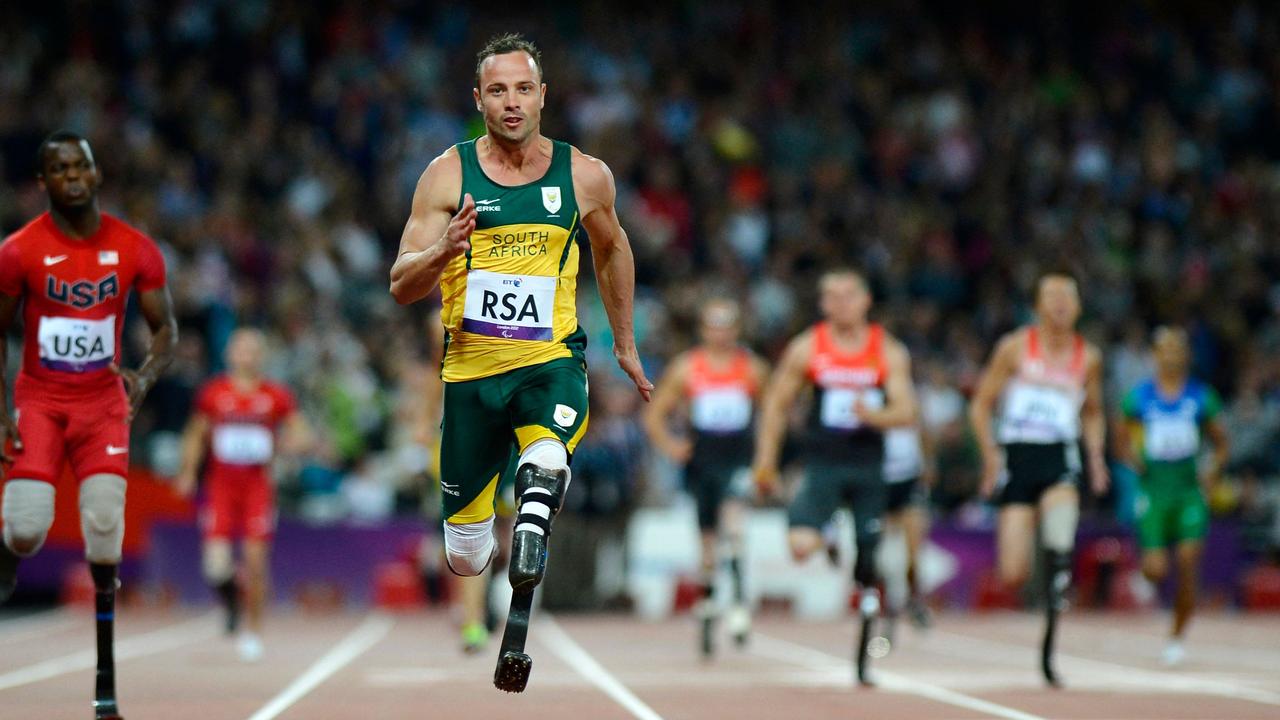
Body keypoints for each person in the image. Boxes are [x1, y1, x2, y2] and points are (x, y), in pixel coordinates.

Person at [388, 32, 651, 693]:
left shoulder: (585, 174)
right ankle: (518, 527)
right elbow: (400, 283)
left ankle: (533, 517)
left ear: (543, 96)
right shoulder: (447, 174)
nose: (511, 102)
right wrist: (442, 252)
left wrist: (623, 341)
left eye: (523, 89)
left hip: (551, 361)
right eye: (498, 91)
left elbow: (613, 250)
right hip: (471, 378)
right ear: (478, 99)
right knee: (467, 556)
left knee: (549, 454)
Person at [0, 131, 178, 720]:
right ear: (43, 182)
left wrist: (143, 378)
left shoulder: (134, 248)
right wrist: (2, 408)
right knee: (26, 529)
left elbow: (165, 332)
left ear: (97, 174)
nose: (72, 176)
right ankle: (9, 552)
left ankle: (105, 687)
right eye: (59, 168)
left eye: (82, 166)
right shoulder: (19, 251)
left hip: (102, 403)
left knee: (104, 529)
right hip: (40, 400)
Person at [753, 270, 916, 686]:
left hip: (868, 469)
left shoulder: (888, 351)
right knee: (800, 546)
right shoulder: (808, 348)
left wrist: (872, 415)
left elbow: (906, 411)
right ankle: (824, 535)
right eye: (831, 297)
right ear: (823, 304)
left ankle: (871, 613)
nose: (840, 303)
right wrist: (766, 462)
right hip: (822, 465)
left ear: (865, 301)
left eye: (849, 295)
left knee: (867, 561)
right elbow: (775, 404)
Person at [968, 271, 1108, 687]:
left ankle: (1055, 595)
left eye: (1069, 295)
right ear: (1037, 306)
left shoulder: (1090, 357)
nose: (1061, 302)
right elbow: (979, 405)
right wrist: (991, 456)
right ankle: (1045, 580)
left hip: (1059, 456)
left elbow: (1094, 411)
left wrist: (1096, 458)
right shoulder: (1014, 348)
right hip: (1017, 456)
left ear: (1080, 307)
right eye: (1052, 295)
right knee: (1012, 572)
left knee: (1060, 533)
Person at [173, 328, 310, 662]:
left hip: (257, 487)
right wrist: (188, 472)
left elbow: (300, 431)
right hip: (221, 486)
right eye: (240, 349)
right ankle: (232, 603)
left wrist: (295, 444)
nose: (245, 356)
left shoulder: (275, 394)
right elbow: (195, 433)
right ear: (229, 354)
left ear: (260, 356)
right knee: (216, 566)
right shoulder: (213, 392)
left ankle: (254, 630)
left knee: (255, 562)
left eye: (252, 350)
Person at [643, 299, 768, 658]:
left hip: (737, 460)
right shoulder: (688, 367)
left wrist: (764, 458)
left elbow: (772, 412)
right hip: (702, 462)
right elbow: (654, 413)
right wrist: (670, 445)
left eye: (727, 325)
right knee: (708, 544)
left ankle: (740, 604)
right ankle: (709, 601)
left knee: (734, 526)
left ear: (736, 330)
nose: (720, 333)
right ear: (703, 330)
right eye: (714, 326)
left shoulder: (751, 369)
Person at [1118, 326, 1228, 667]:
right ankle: (1145, 574)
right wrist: (1135, 462)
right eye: (1164, 350)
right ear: (1154, 356)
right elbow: (1120, 439)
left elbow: (1221, 443)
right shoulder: (1138, 397)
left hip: (1187, 491)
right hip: (1154, 490)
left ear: (1186, 356)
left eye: (1177, 350)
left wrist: (1211, 471)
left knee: (1187, 561)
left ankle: (1176, 638)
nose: (1171, 356)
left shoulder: (1201, 396)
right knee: (1156, 569)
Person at [879, 419, 933, 635]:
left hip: (909, 480)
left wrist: (928, 463)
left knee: (914, 551)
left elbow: (923, 432)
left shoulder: (908, 402)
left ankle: (915, 599)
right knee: (882, 553)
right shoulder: (872, 399)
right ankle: (886, 603)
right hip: (879, 481)